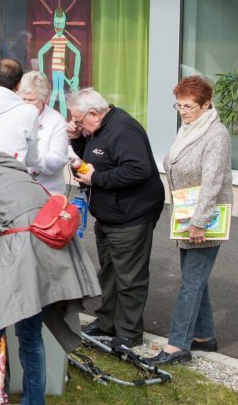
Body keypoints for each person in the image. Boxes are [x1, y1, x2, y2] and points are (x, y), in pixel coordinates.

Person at [0, 147, 101, 405]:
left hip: (25, 252)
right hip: (50, 249)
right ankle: (33, 401)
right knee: (30, 332)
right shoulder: (10, 170)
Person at [68, 88, 166, 349]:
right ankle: (107, 322)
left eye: (79, 121)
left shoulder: (123, 130)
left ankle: (129, 333)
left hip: (132, 213)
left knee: (129, 276)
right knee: (110, 271)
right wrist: (77, 139)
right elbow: (90, 158)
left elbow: (139, 168)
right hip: (109, 212)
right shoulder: (97, 129)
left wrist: (97, 179)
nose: (77, 125)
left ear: (93, 113)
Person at [153, 76, 232, 365]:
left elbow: (213, 182)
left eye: (189, 106)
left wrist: (199, 221)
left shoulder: (216, 134)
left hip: (204, 218)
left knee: (191, 282)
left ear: (206, 104)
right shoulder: (189, 129)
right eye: (180, 105)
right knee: (195, 279)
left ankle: (178, 346)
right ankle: (204, 337)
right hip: (187, 214)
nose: (183, 111)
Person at [20, 71, 70, 194]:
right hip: (17, 189)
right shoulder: (14, 115)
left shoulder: (56, 121)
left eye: (31, 100)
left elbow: (58, 160)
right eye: (23, 99)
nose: (25, 103)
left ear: (45, 100)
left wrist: (33, 159)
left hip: (48, 193)